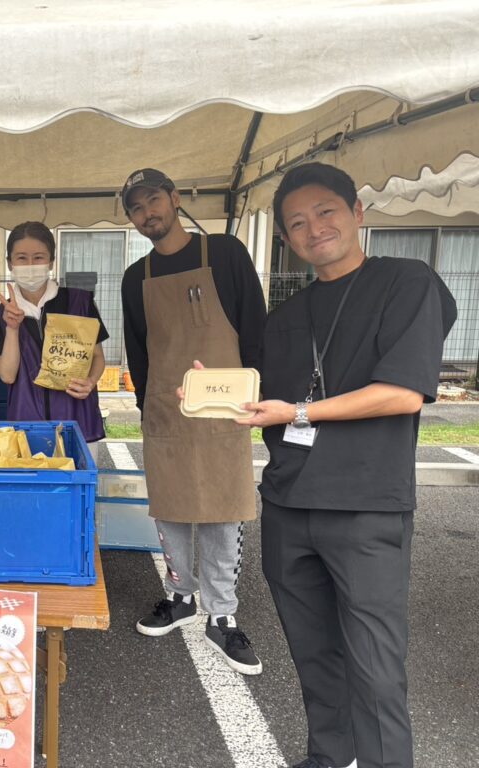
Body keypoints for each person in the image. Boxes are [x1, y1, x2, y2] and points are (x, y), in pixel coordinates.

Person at [236, 162, 456, 768]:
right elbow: (262, 400)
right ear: (286, 239)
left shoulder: (406, 283)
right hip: (288, 504)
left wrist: (300, 412)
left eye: (325, 212)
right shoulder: (284, 318)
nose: (314, 229)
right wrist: (216, 394)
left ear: (357, 213)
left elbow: (402, 393)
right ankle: (329, 758)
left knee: (376, 666)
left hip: (365, 507)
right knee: (315, 657)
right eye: (297, 223)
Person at [120, 167, 267, 675]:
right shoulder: (135, 277)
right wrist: (148, 404)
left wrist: (256, 394)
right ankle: (180, 596)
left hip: (225, 406)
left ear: (175, 198)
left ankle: (222, 614)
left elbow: (254, 325)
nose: (147, 213)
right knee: (171, 509)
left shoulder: (224, 253)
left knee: (225, 510)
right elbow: (138, 350)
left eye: (153, 200)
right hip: (166, 407)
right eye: (136, 208)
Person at [0, 221, 108, 447]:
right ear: (10, 263)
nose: (30, 265)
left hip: (78, 420)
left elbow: (98, 356)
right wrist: (12, 329)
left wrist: (91, 381)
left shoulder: (79, 302)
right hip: (27, 427)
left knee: (81, 471)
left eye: (38, 257)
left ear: (51, 261)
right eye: (21, 258)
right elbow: (7, 376)